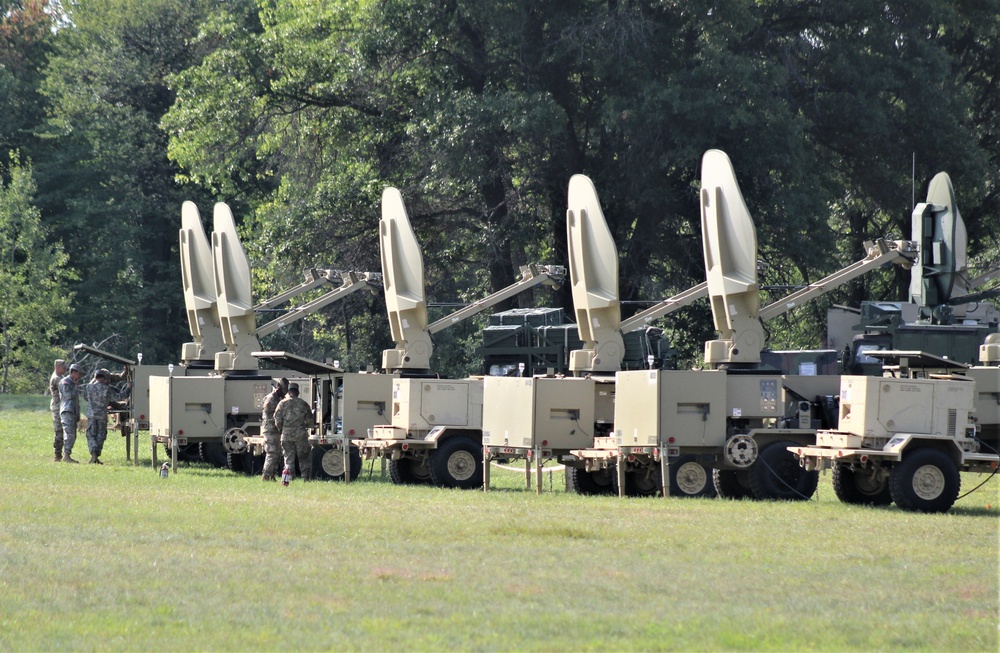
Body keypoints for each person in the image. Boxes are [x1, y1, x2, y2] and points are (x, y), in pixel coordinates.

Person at [83, 368, 129, 464]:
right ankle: (96, 456)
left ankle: (93, 455)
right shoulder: (106, 389)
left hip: (91, 416)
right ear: (104, 378)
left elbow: (85, 397)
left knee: (91, 435)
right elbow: (120, 396)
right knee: (100, 436)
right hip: (102, 416)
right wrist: (129, 387)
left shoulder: (89, 387)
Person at [274, 383, 313, 481]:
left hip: (286, 435)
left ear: (288, 392)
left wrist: (283, 430)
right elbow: (309, 421)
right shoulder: (303, 404)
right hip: (300, 435)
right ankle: (306, 479)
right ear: (298, 392)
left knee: (288, 459)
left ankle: (288, 479)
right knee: (304, 458)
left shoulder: (282, 403)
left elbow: (277, 420)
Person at [260, 377, 288, 481]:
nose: (285, 392)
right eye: (284, 389)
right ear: (279, 387)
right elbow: (270, 414)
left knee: (278, 453)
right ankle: (266, 476)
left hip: (276, 429)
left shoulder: (279, 398)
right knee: (272, 453)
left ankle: (272, 475)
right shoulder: (271, 398)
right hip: (270, 429)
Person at [58, 363, 85, 463]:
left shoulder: (72, 383)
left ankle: (67, 454)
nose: (80, 376)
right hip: (67, 411)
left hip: (72, 411)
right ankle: (66, 456)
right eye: (79, 374)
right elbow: (68, 395)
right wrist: (75, 387)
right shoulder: (65, 382)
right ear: (73, 372)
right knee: (69, 434)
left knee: (72, 434)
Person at [49, 359, 67, 462]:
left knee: (63, 431)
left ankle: (60, 454)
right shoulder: (56, 378)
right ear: (58, 367)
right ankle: (57, 455)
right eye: (63, 367)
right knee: (59, 430)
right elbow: (65, 385)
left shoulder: (61, 377)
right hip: (57, 407)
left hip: (61, 406)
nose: (65, 369)